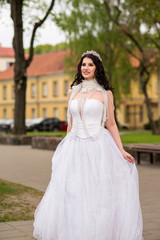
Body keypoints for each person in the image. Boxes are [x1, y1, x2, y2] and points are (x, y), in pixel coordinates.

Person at [33, 50, 144, 240]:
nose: (86, 68)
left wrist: (121, 149)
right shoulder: (73, 91)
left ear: (97, 68)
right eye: (83, 64)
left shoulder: (105, 93)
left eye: (90, 65)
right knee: (72, 192)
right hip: (74, 147)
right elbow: (71, 122)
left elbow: (111, 124)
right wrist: (64, 149)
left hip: (98, 147)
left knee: (97, 194)